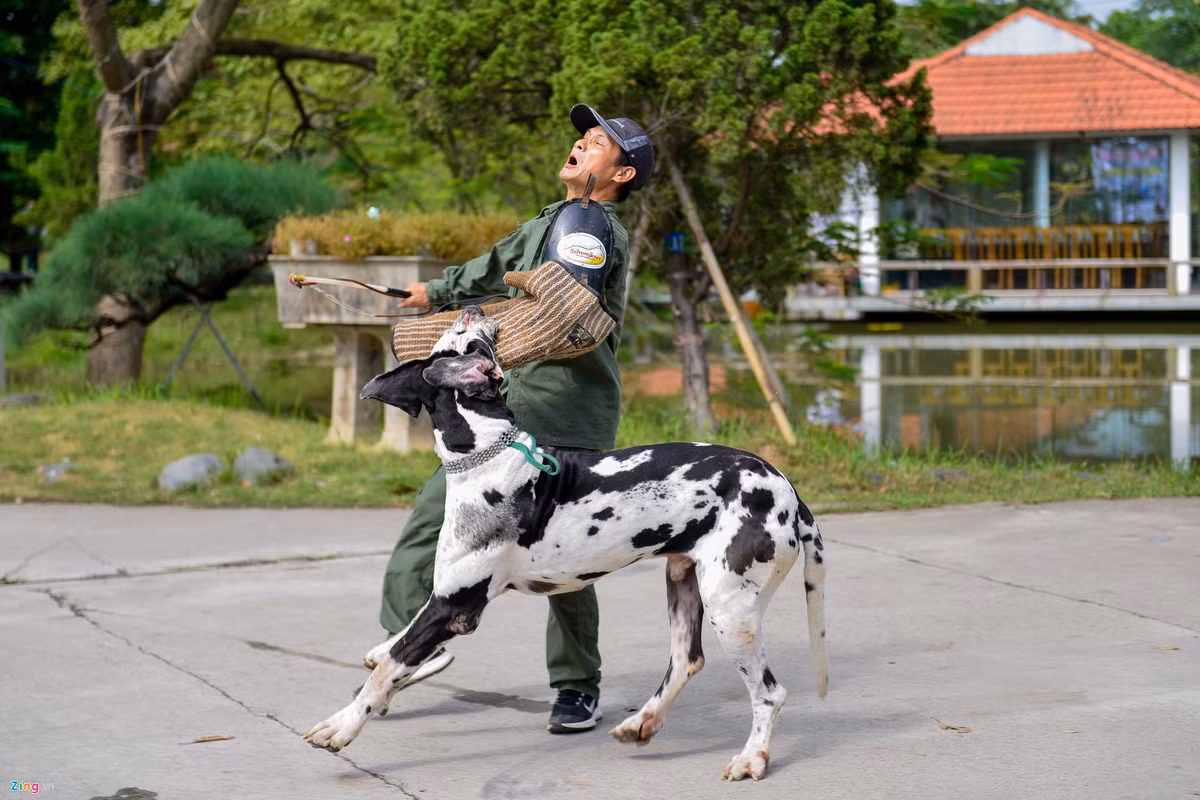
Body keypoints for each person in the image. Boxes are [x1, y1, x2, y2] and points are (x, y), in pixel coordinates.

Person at [378, 104, 655, 733]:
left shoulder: (589, 226)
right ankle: (407, 643)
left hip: (566, 408)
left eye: (597, 143)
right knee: (433, 518)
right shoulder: (554, 217)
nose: (581, 144)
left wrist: (472, 309)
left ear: (623, 175)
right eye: (581, 137)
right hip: (510, 399)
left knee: (566, 553)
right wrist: (435, 292)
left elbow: (562, 304)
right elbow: (497, 268)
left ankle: (577, 685)